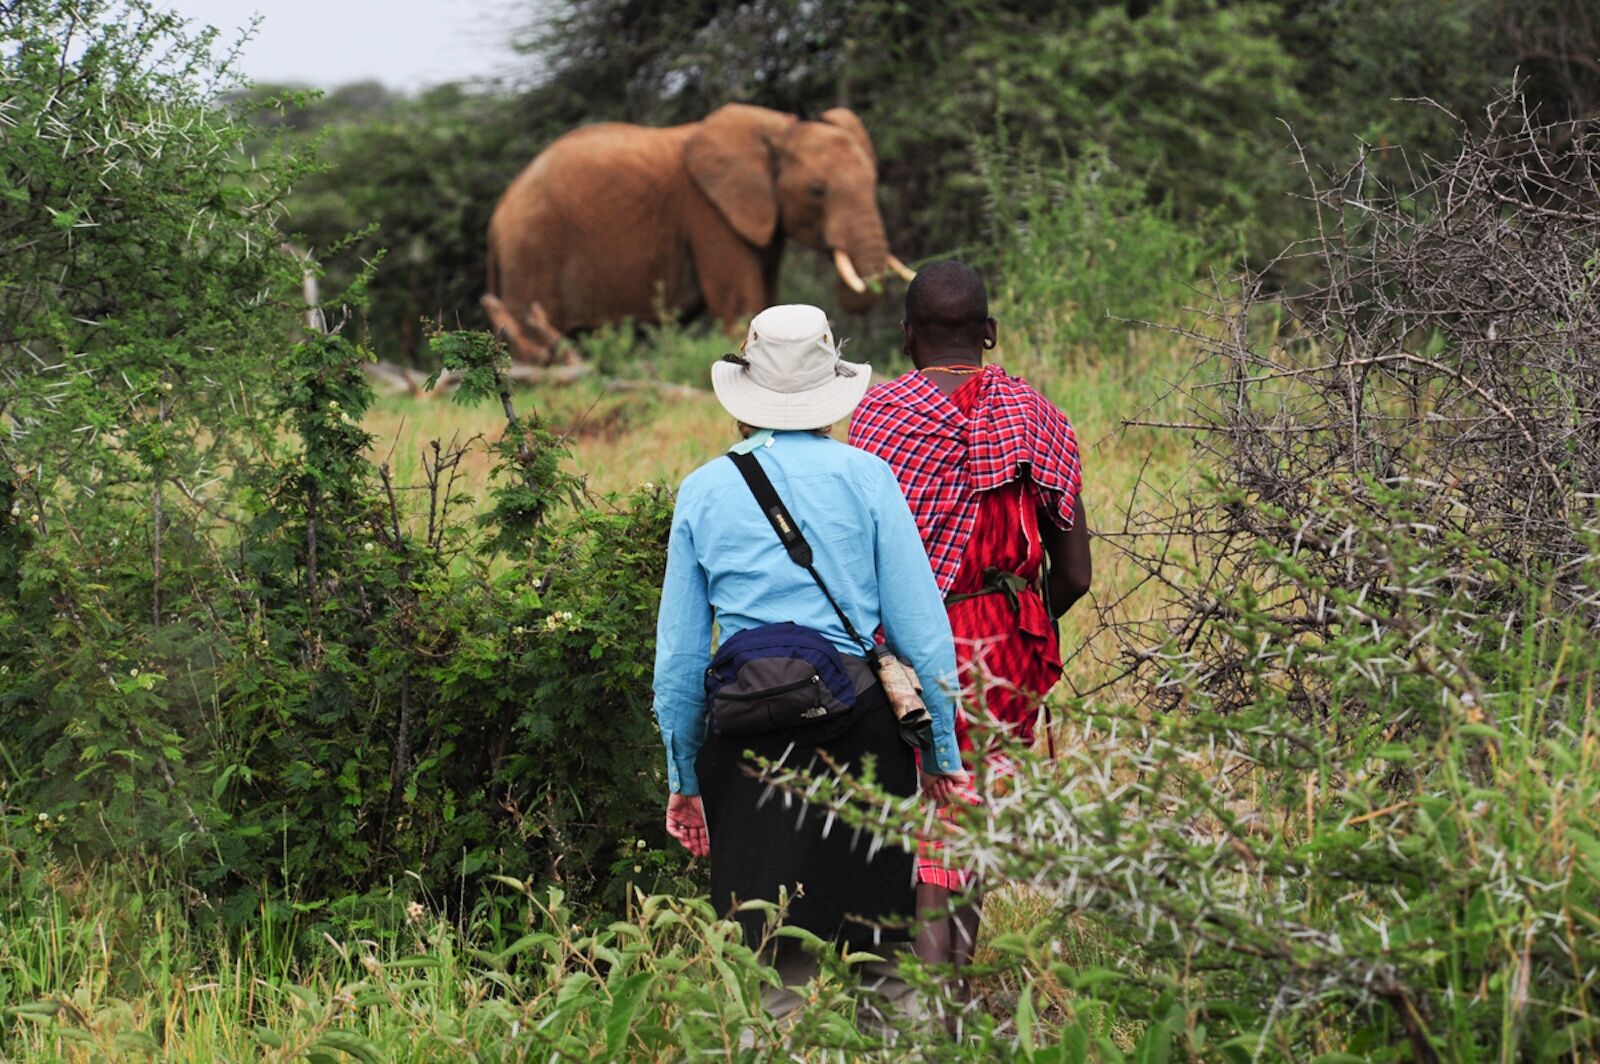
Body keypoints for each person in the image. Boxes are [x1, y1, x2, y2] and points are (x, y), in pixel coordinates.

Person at [652, 303, 969, 1022]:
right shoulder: (869, 478)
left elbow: (676, 663)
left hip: (747, 746)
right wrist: (942, 753)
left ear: (745, 392)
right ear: (832, 388)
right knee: (883, 953)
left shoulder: (702, 489)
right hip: (860, 729)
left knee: (771, 963)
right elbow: (923, 635)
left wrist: (683, 777)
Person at [847, 260, 1092, 989]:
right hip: (1007, 641)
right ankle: (951, 992)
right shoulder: (1037, 416)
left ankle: (931, 1008)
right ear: (988, 332)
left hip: (905, 647)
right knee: (971, 816)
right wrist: (1025, 620)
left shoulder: (878, 418)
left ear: (906, 337)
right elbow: (1075, 572)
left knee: (931, 814)